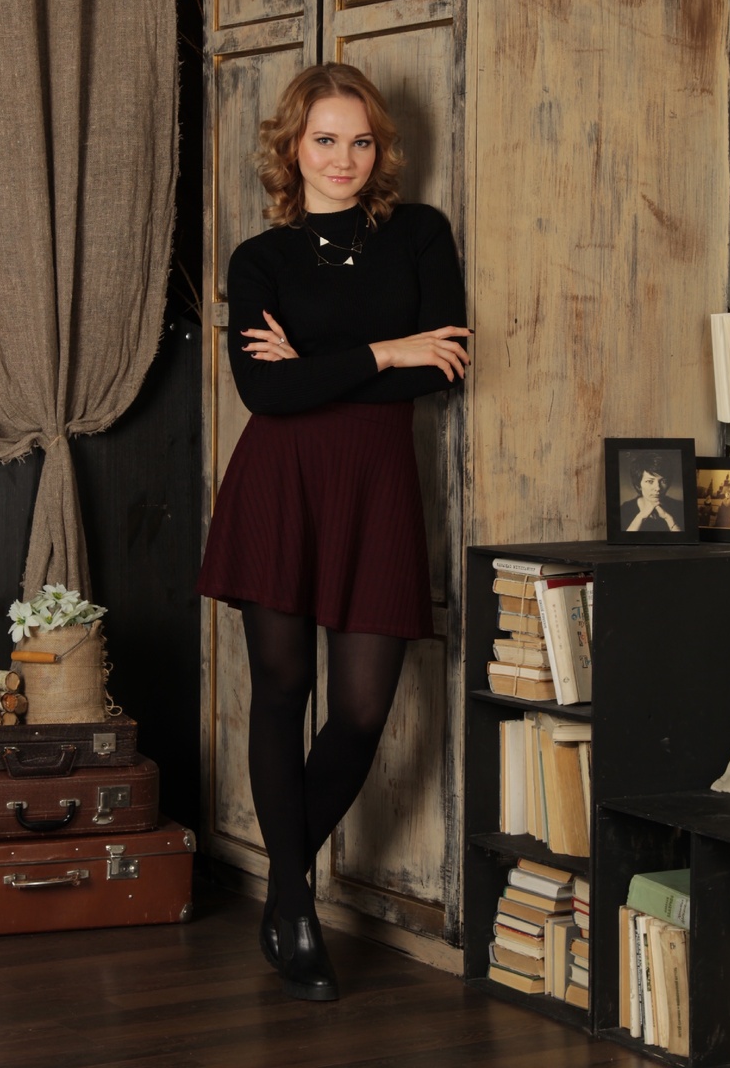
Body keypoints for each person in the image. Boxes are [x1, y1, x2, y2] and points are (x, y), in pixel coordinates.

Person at [196, 62, 470, 1002]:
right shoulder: (259, 259)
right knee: (282, 692)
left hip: (378, 488)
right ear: (293, 148)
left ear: (379, 148)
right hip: (281, 487)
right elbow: (264, 392)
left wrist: (320, 363)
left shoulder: (419, 234)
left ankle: (282, 891)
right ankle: (299, 912)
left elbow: (443, 367)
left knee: (359, 710)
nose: (343, 158)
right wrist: (386, 350)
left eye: (360, 140)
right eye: (325, 140)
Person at [620, 452, 684, 533]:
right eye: (650, 481)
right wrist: (640, 517)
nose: (658, 488)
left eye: (663, 481)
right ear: (638, 484)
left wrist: (669, 518)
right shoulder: (624, 511)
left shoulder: (679, 507)